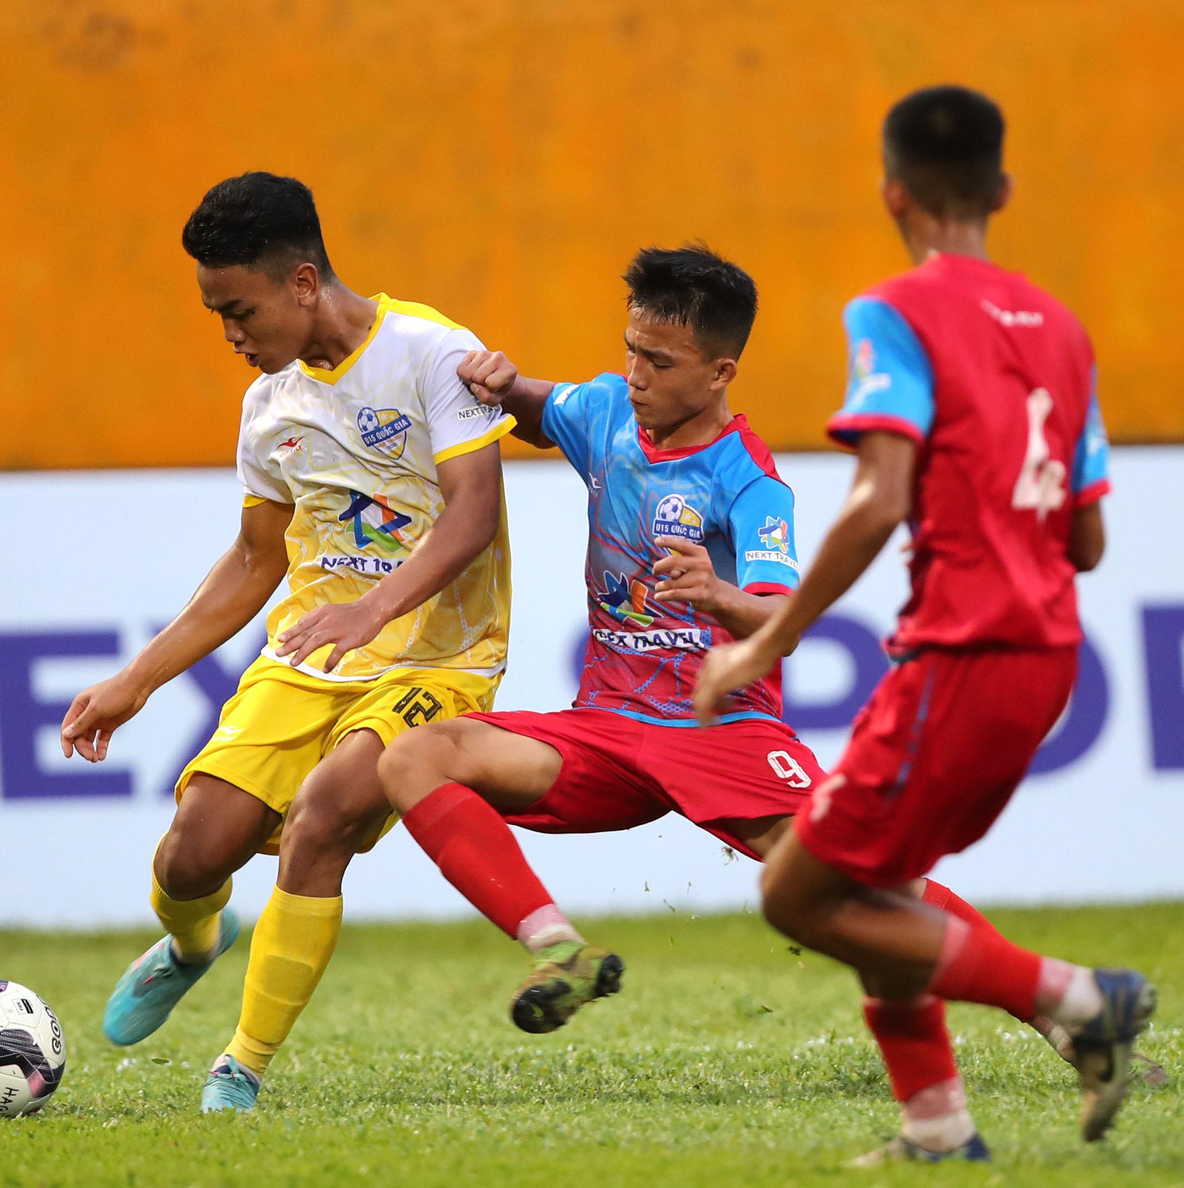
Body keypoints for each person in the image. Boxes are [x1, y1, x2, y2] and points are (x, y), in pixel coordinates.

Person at [378, 245, 1058, 1055]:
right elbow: (534, 406)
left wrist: (716, 595)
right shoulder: (606, 412)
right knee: (416, 757)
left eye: (659, 362)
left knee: (869, 887)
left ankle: (1057, 1009)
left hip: (720, 730)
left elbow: (780, 619)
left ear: (719, 372)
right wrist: (500, 382)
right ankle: (559, 950)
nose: (635, 374)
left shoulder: (749, 481)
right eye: (630, 350)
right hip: (607, 730)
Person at [693, 86, 1152, 1163]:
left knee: (796, 893)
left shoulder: (892, 312)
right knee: (879, 882)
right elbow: (1088, 543)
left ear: (892, 192)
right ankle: (936, 1125)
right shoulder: (1065, 330)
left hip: (963, 650)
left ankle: (1081, 998)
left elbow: (880, 494)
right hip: (1049, 656)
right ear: (1003, 189)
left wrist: (765, 639)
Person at [58, 171, 515, 1112]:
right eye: (217, 315)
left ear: (303, 283)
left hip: (438, 662)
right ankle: (193, 942)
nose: (230, 334)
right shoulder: (270, 406)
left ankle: (242, 1064)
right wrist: (137, 680)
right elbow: (254, 559)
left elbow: (473, 515)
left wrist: (372, 611)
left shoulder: (434, 353)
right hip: (311, 656)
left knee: (323, 818)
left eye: (240, 310)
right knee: (192, 856)